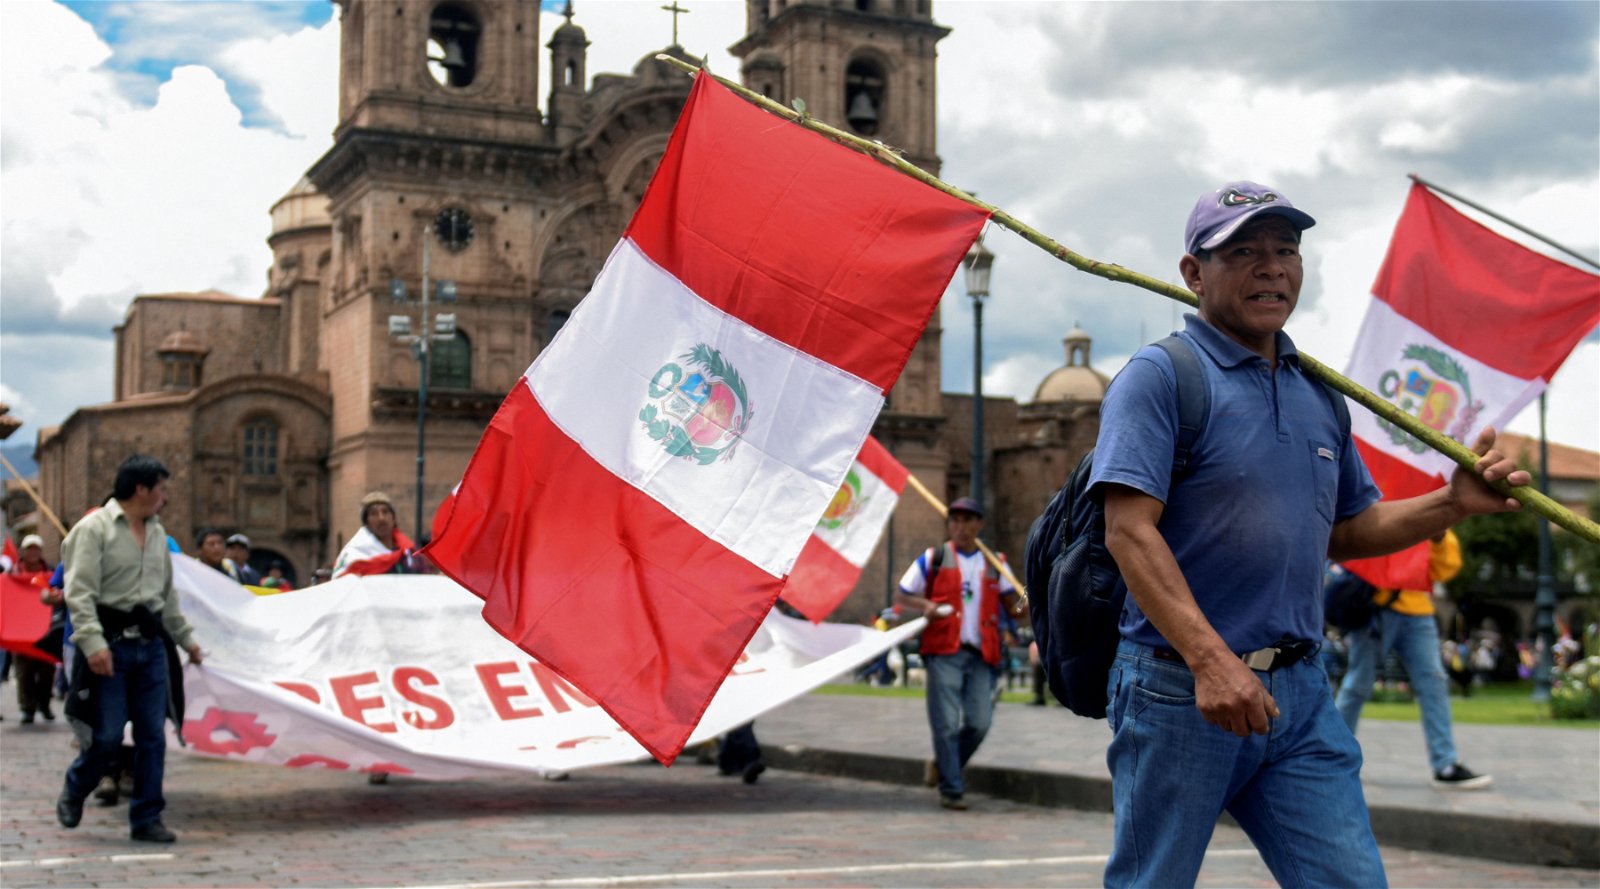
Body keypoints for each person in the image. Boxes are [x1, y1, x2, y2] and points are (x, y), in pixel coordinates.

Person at [1089, 181, 1532, 887]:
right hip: (1179, 690)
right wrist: (1211, 662)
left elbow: (1349, 530)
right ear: (1193, 273)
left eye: (1286, 250)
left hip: (1299, 695)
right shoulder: (1162, 375)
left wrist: (1452, 503)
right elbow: (1128, 530)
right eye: (1244, 252)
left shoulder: (1318, 392)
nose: (1272, 267)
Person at [55, 455, 204, 844]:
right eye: (162, 489)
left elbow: (165, 595)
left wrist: (186, 639)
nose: (165, 497)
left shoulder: (157, 534)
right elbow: (79, 592)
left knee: (152, 736)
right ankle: (77, 785)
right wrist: (92, 644)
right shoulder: (93, 529)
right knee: (106, 736)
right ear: (141, 489)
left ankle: (146, 817)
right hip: (111, 646)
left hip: (151, 648)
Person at [1335, 530, 1491, 789]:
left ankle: (1446, 765)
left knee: (1434, 681)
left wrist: (1439, 537)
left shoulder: (1427, 502)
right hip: (1375, 607)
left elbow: (1446, 569)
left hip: (1418, 610)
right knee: (1358, 683)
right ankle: (1329, 758)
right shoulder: (1376, 496)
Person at [893, 496, 1021, 811]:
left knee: (979, 722)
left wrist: (1028, 599)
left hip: (981, 652)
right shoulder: (935, 557)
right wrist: (927, 607)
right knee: (946, 723)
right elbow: (902, 594)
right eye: (956, 521)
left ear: (980, 524)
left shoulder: (995, 562)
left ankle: (943, 766)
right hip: (943, 650)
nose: (961, 527)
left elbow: (1013, 607)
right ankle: (951, 787)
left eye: (968, 521)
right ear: (950, 524)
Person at [10, 534, 57, 724]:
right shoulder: (13, 572)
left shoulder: (50, 572)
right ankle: (28, 708)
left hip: (45, 627)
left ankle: (44, 704)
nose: (33, 553)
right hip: (19, 630)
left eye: (36, 549)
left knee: (47, 669)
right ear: (23, 552)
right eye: (29, 549)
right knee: (24, 671)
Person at [332, 491, 420, 579]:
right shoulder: (354, 554)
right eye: (373, 514)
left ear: (393, 518)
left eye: (385, 512)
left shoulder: (407, 552)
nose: (381, 518)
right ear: (366, 522)